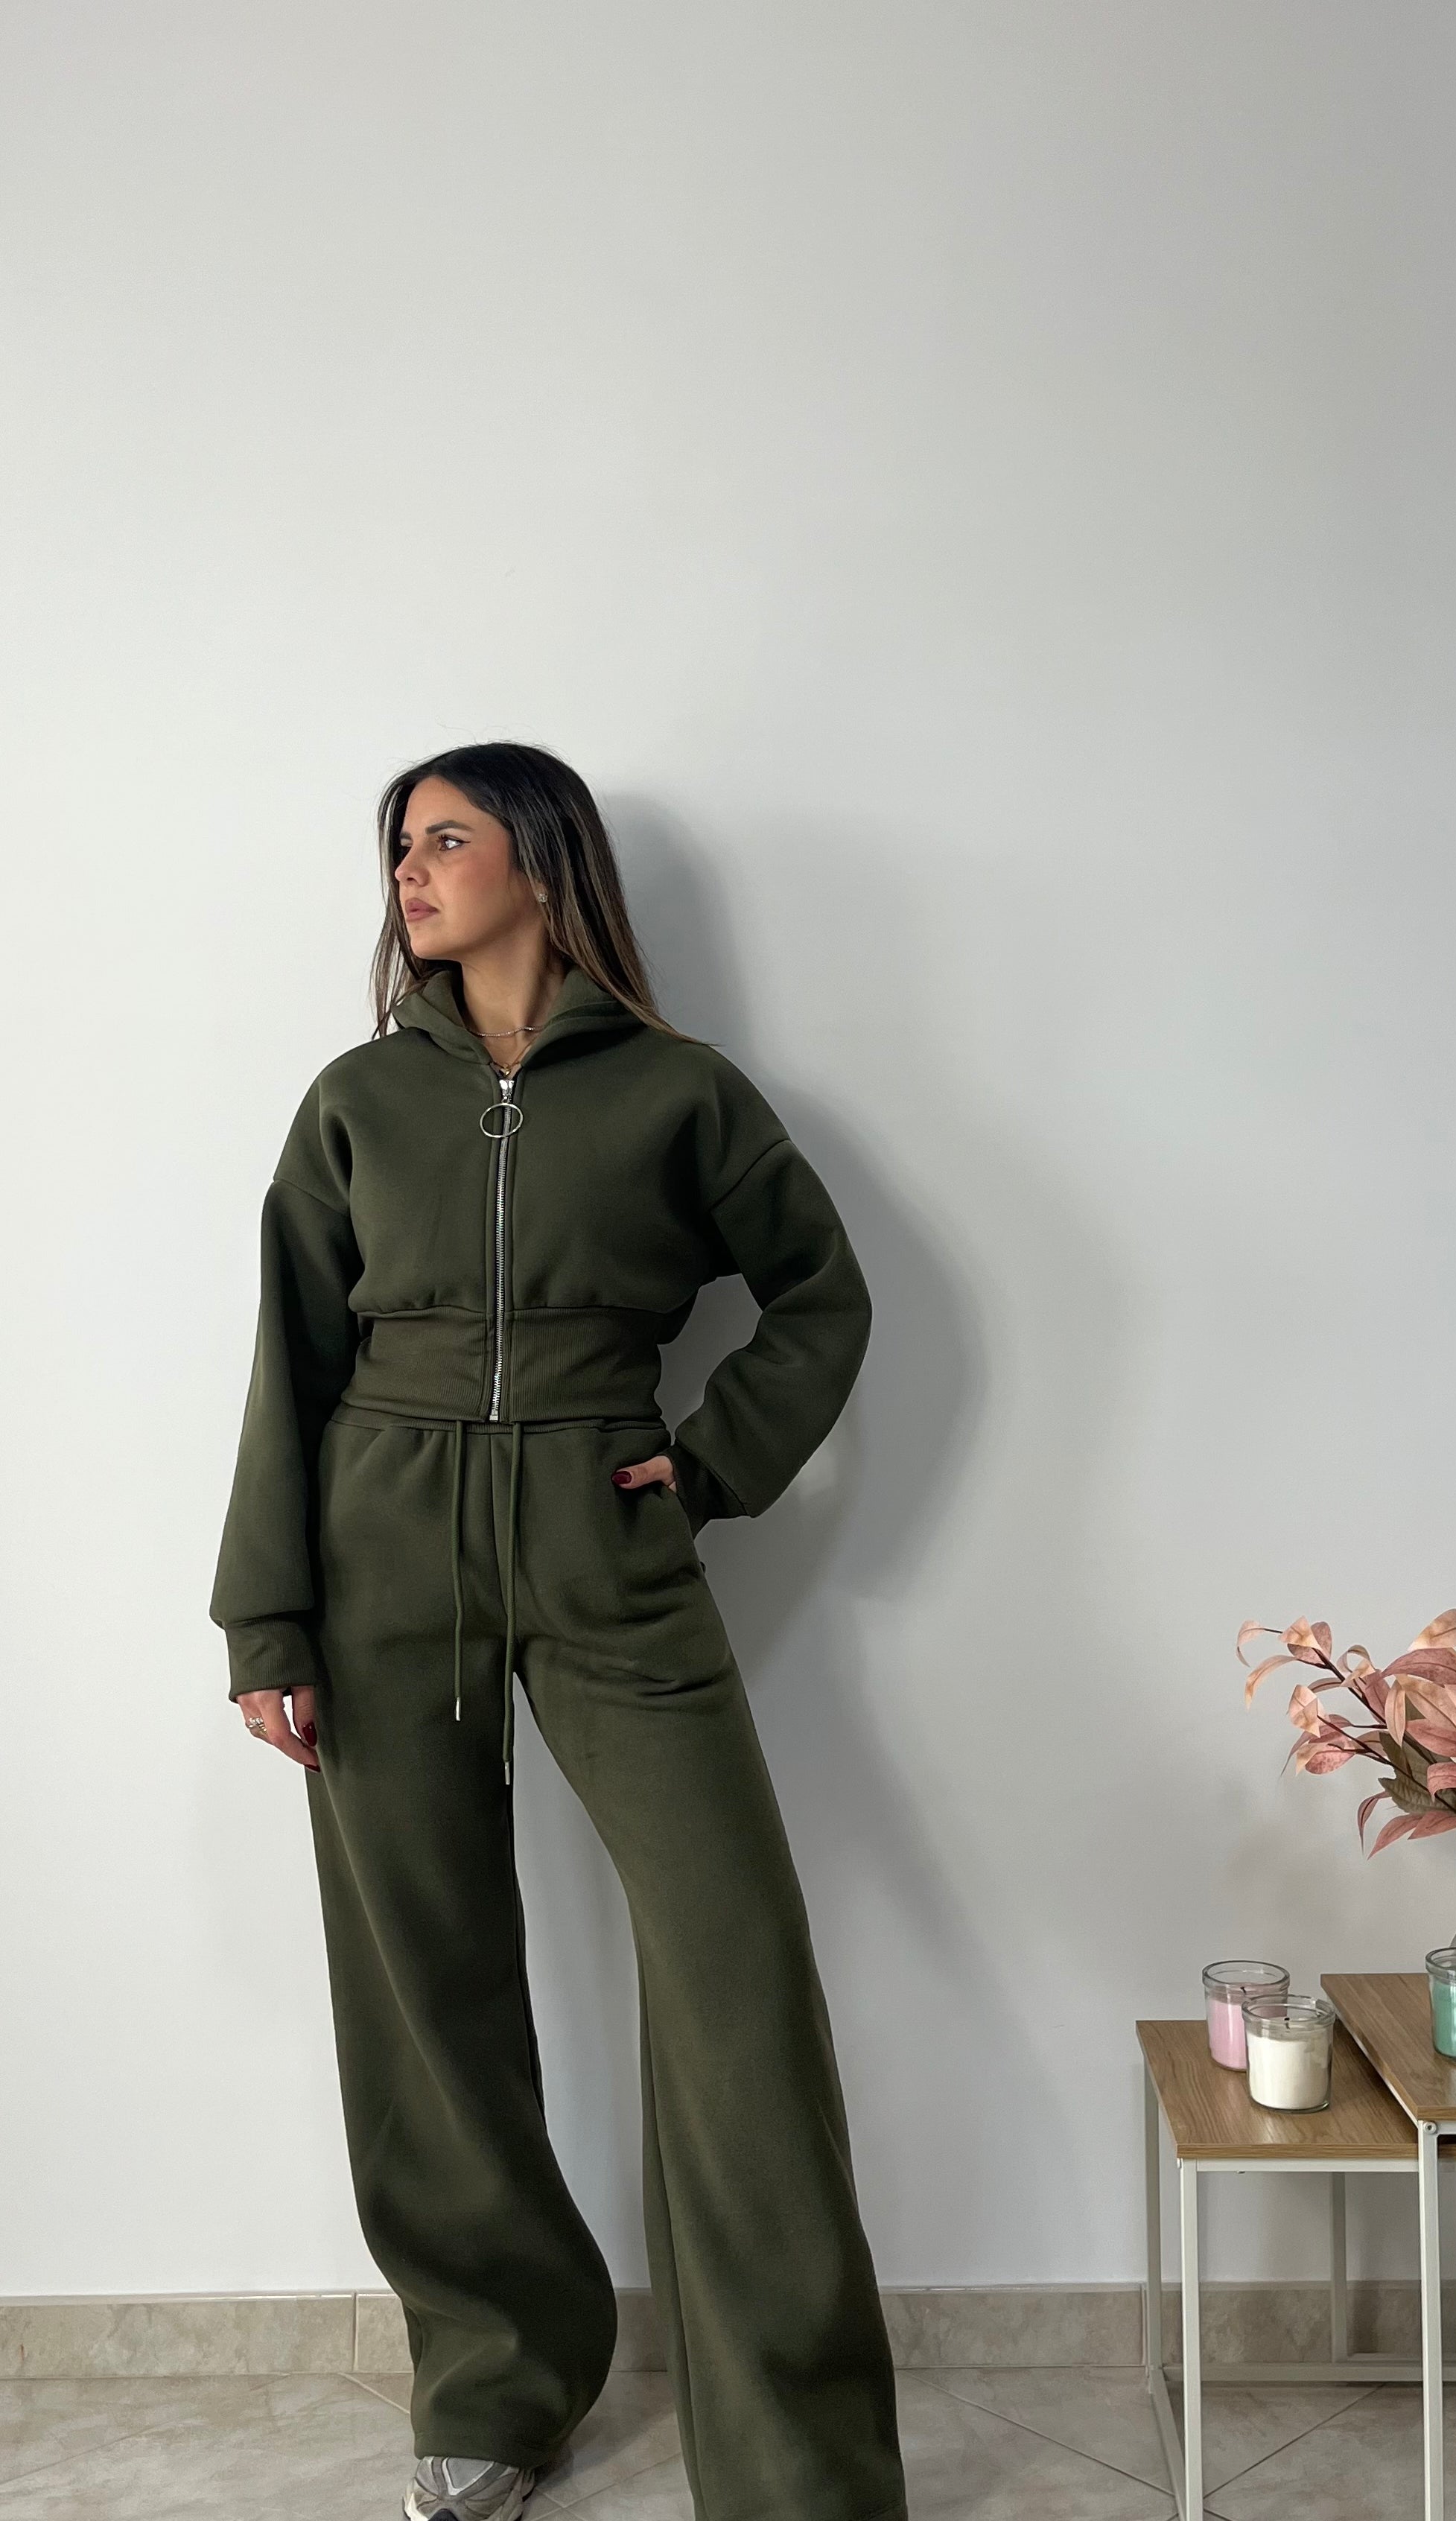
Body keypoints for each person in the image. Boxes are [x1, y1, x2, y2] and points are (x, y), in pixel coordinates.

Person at [210, 743, 906, 2521]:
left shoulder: (678, 1091)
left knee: (735, 1970)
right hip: (381, 1545)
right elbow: (292, 1356)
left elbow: (822, 1293)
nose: (409, 872)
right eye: (399, 846)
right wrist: (266, 1613)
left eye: (444, 837)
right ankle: (498, 2379)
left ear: (541, 857)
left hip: (609, 1544)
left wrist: (712, 1466)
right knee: (425, 1981)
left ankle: (800, 2458)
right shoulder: (359, 1099)